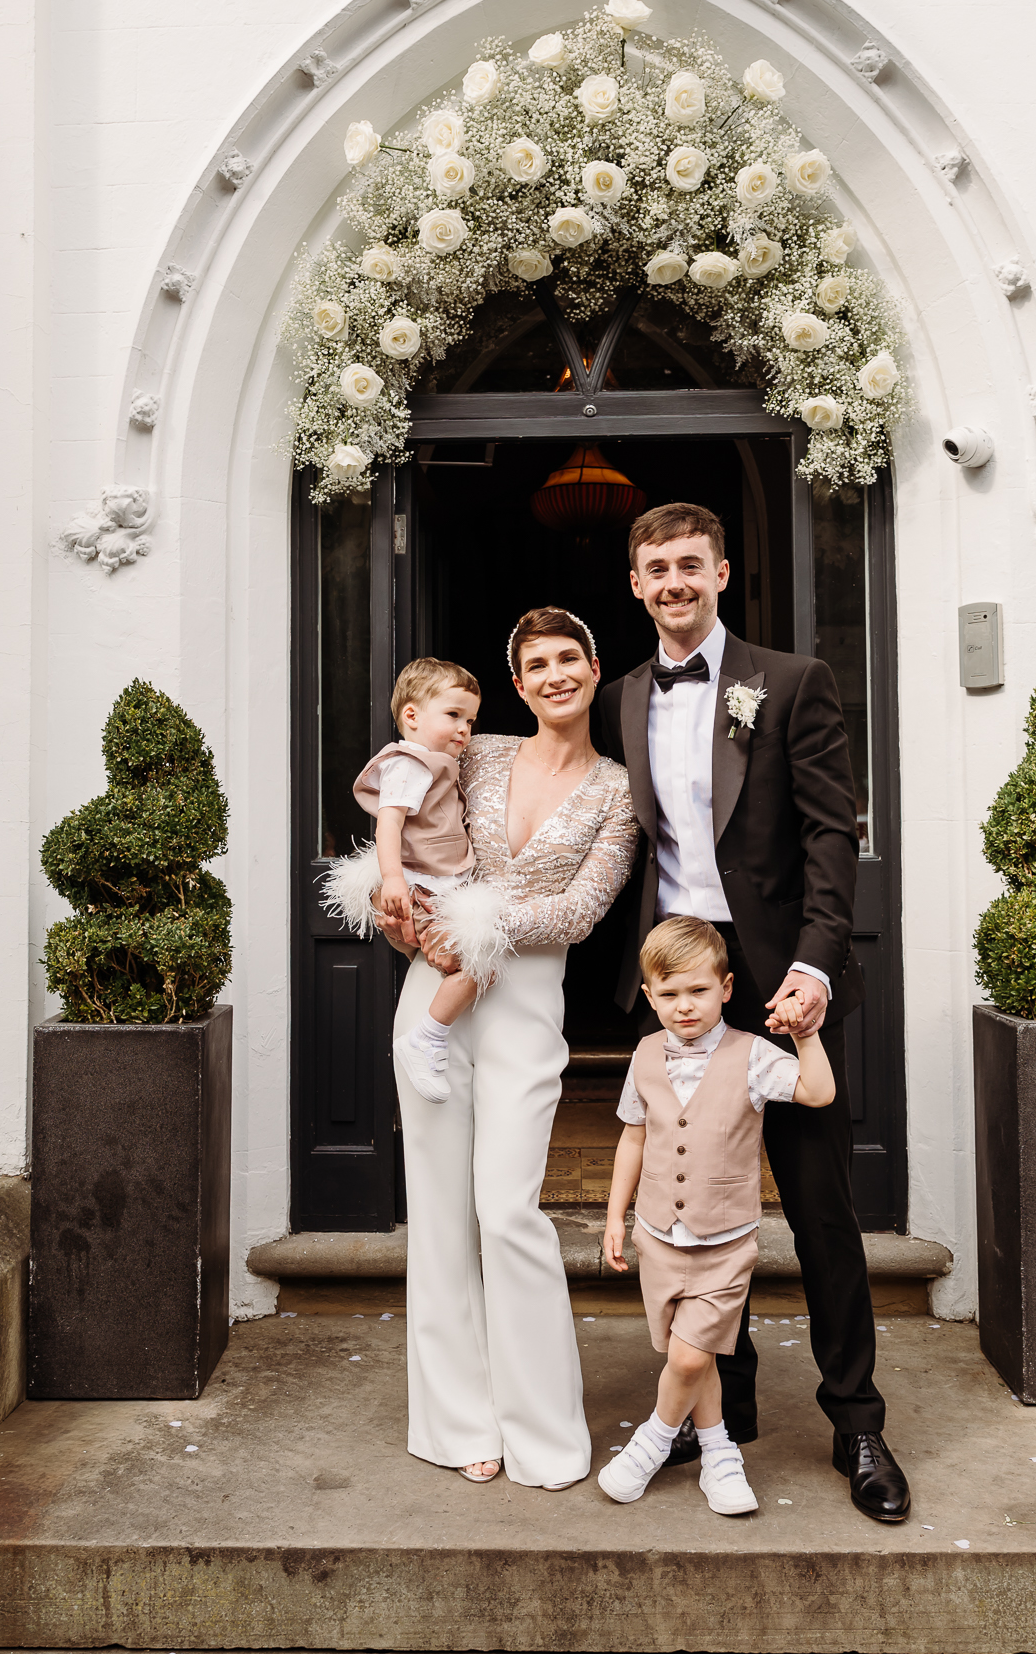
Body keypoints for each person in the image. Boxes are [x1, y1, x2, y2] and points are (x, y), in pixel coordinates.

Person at [598, 503, 912, 1524]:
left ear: (722, 571)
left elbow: (830, 828)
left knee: (821, 1212)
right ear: (636, 582)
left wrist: (819, 962)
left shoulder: (787, 680)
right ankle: (716, 1410)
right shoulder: (622, 695)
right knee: (691, 1214)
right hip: (681, 996)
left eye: (690, 562)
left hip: (783, 992)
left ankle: (856, 1419)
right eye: (656, 567)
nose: (673, 580)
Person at [389, 607, 637, 1489]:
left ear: (594, 666)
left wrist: (477, 924)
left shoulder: (616, 788)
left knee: (507, 1212)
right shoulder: (477, 749)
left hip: (527, 1007)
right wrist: (413, 919)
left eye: (568, 656)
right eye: (535, 663)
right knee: (442, 1217)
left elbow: (580, 912)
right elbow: (409, 828)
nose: (553, 674)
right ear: (519, 682)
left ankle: (542, 1430)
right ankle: (459, 1424)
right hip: (435, 1004)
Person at [598, 916, 835, 1516]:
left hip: (723, 1242)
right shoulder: (646, 1055)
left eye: (698, 991)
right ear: (649, 997)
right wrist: (614, 1216)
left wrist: (805, 1036)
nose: (684, 1006)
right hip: (657, 1235)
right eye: (669, 994)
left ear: (726, 988)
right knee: (688, 1351)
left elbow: (816, 1092)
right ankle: (719, 1449)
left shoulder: (751, 1054)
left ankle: (650, 1441)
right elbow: (632, 1138)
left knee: (688, 1356)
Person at [319, 658, 512, 1105]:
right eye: (453, 715)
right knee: (473, 966)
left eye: (470, 719)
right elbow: (389, 824)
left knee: (462, 961)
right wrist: (392, 880)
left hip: (440, 885)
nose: (464, 729)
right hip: (423, 885)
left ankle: (430, 1030)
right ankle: (426, 1037)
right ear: (411, 716)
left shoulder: (436, 762)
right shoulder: (410, 764)